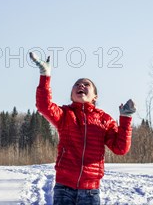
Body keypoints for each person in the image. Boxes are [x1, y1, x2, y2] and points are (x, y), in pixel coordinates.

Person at [29, 51, 136, 205]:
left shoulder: (104, 120)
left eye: (86, 84)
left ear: (95, 96)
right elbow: (44, 105)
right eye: (77, 84)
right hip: (64, 188)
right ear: (72, 95)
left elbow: (120, 148)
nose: (81, 85)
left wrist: (125, 118)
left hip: (90, 191)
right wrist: (45, 75)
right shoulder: (65, 115)